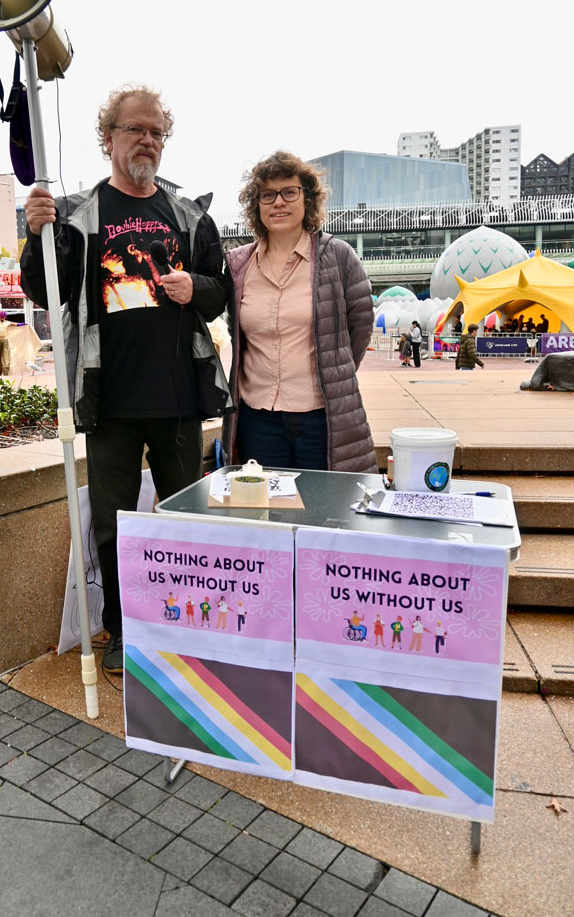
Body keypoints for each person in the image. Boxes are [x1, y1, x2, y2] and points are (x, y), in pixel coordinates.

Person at [20, 85, 232, 673]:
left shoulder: (190, 216)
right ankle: (120, 630)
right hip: (106, 398)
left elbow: (220, 292)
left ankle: (190, 621)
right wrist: (36, 237)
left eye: (157, 132)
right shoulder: (77, 215)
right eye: (135, 129)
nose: (147, 140)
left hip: (179, 397)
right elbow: (44, 291)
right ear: (108, 137)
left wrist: (198, 288)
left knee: (187, 519)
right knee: (112, 526)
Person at [224, 150, 376, 473]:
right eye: (268, 195)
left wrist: (334, 372)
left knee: (326, 512)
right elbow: (236, 332)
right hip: (258, 421)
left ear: (307, 199)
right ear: (257, 205)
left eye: (289, 192)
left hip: (319, 419)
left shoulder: (338, 257)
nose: (279, 202)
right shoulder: (238, 266)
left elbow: (360, 324)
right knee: (269, 515)